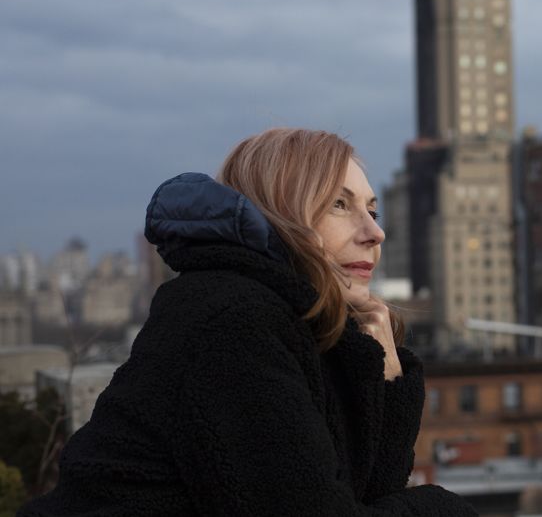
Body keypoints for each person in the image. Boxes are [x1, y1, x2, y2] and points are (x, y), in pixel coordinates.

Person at [21, 128, 477, 516]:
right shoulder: (232, 320)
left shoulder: (294, 323)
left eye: (372, 211)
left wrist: (387, 377)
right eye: (340, 205)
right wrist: (444, 508)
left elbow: (366, 494)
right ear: (283, 215)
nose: (374, 232)